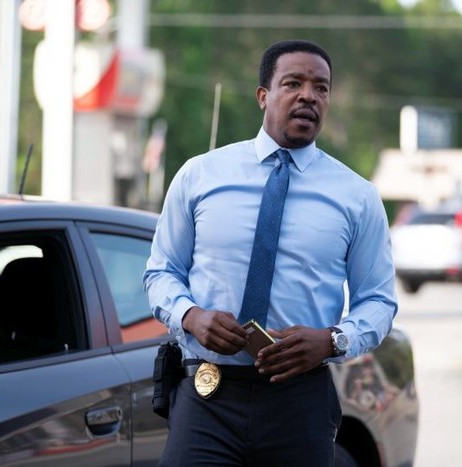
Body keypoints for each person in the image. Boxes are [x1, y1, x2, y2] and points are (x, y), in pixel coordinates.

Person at [144, 39, 398, 467]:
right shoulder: (200, 175)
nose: (308, 96)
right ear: (263, 95)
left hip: (300, 400)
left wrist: (332, 340)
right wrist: (191, 316)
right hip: (208, 394)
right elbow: (161, 272)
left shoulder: (357, 197)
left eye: (321, 88)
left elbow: (379, 301)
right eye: (293, 83)